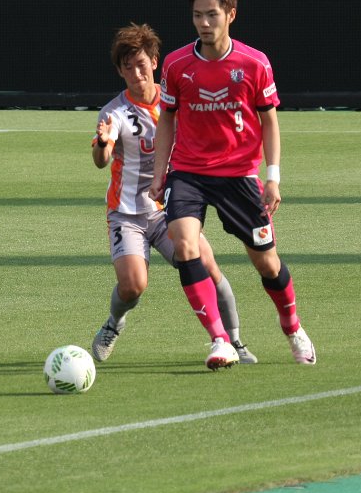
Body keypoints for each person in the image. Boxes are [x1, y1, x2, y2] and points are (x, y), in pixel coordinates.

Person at [148, 0, 316, 369]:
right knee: (184, 244)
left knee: (267, 264)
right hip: (188, 172)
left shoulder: (254, 63)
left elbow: (269, 121)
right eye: (197, 15)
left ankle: (292, 327)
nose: (204, 23)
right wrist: (160, 173)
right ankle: (219, 340)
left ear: (230, 15)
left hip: (239, 175)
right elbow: (167, 119)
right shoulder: (176, 64)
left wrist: (273, 177)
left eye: (212, 14)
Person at [91, 23, 258, 368]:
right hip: (127, 214)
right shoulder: (114, 113)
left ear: (155, 62)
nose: (136, 74)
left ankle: (235, 342)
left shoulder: (178, 102)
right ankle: (114, 323)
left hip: (168, 207)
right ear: (119, 71)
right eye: (127, 67)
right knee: (133, 286)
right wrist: (104, 143)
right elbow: (101, 159)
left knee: (207, 267)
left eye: (141, 64)